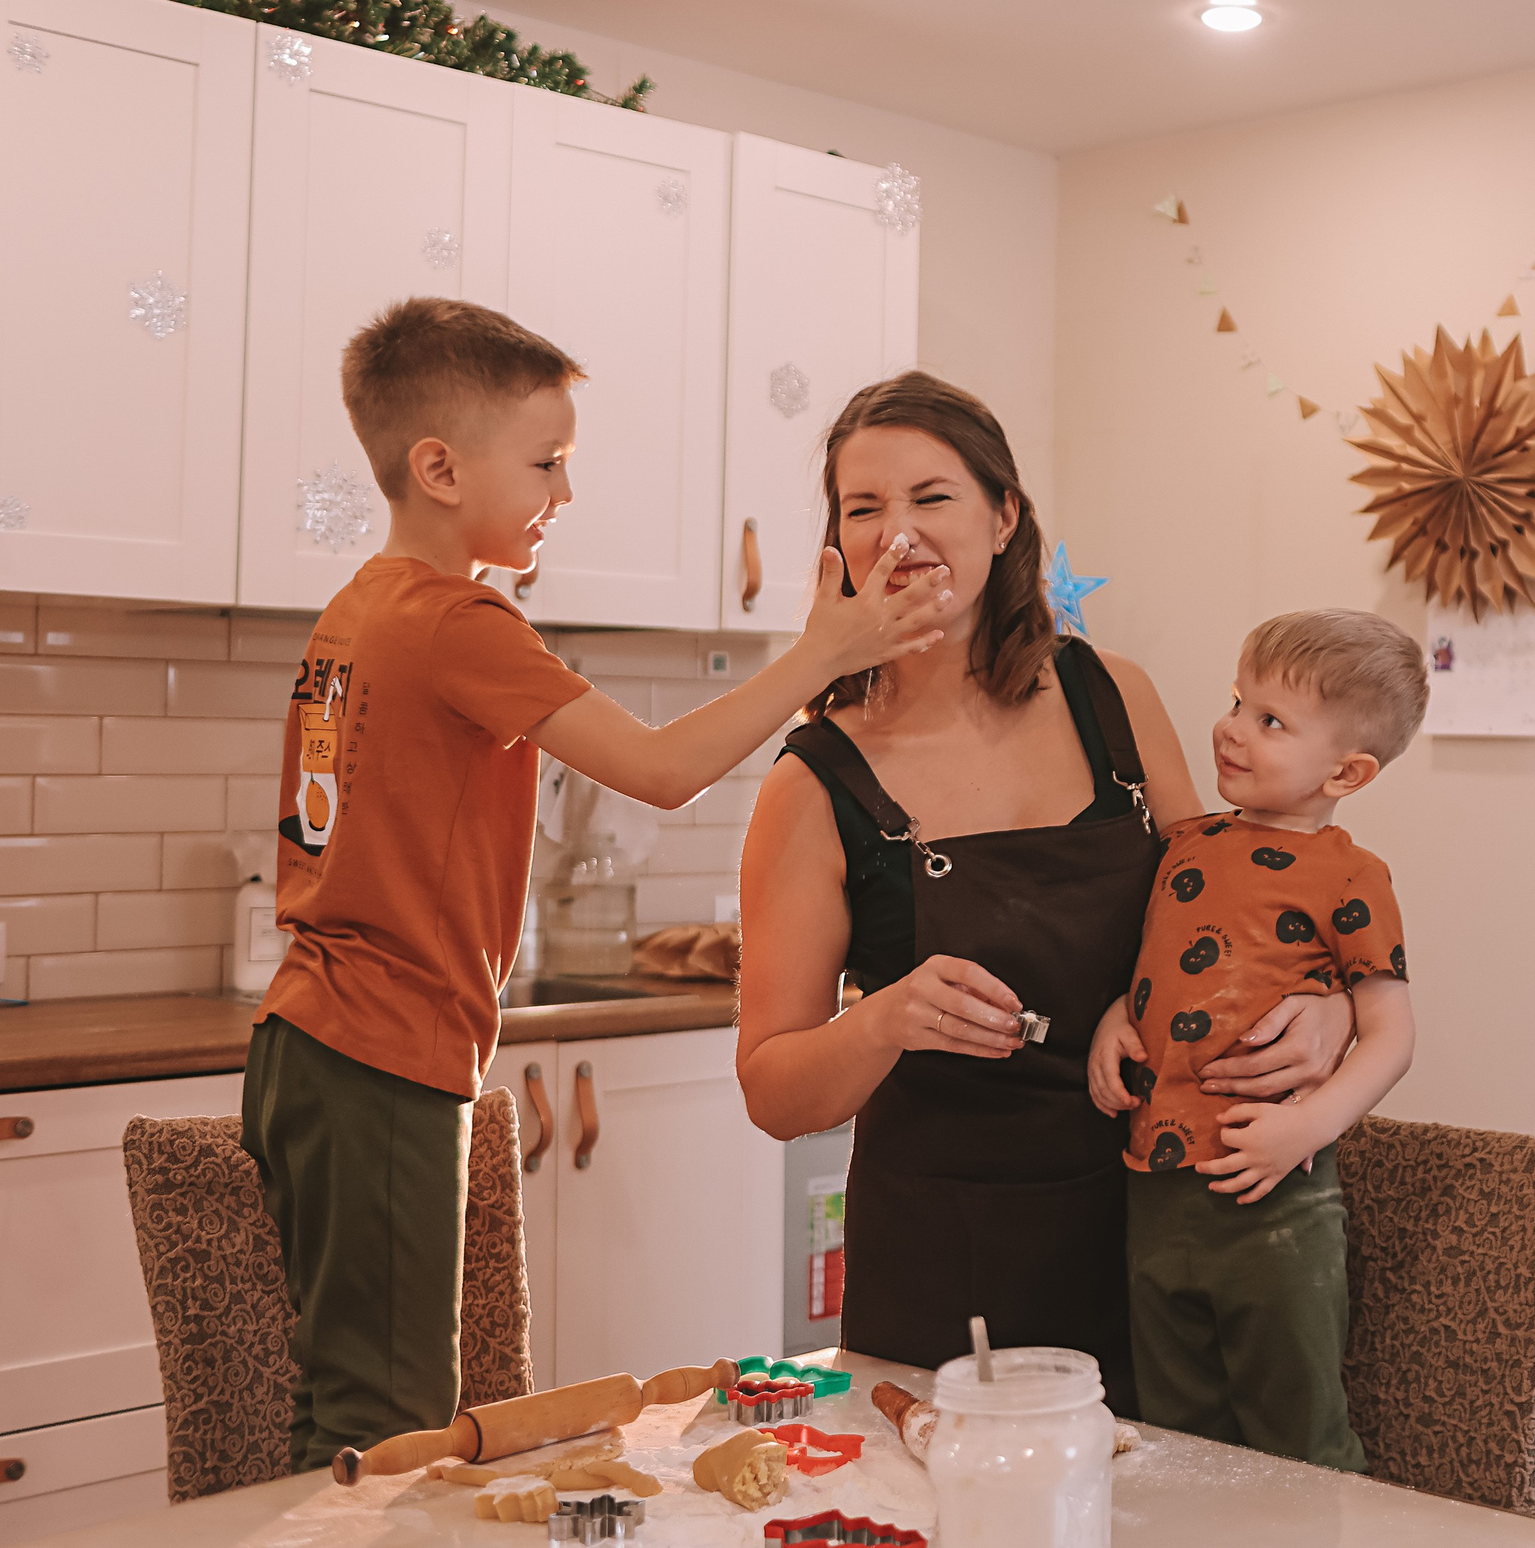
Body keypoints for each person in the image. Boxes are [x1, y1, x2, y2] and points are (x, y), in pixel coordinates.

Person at [244, 297, 951, 1473]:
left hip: (311, 1042)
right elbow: (663, 771)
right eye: (545, 462)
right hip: (379, 1050)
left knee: (347, 1405)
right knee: (384, 1425)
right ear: (440, 469)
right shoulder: (457, 620)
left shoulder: (361, 608)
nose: (564, 492)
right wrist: (824, 653)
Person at [733, 373, 1355, 1415]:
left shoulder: (1113, 697)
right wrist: (884, 1020)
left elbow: (1224, 915)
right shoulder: (813, 783)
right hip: (949, 1271)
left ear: (1003, 516)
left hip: (1165, 1226)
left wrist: (1325, 1003)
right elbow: (773, 1091)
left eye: (932, 496)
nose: (899, 532)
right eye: (864, 507)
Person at [1085, 610, 1424, 1470]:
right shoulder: (1185, 844)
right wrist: (1118, 1017)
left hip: (1274, 1198)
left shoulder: (1352, 873)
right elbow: (1164, 968)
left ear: (1346, 771)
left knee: (1299, 1436)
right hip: (1154, 1189)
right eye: (1238, 701)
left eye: (1271, 720)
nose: (1232, 728)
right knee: (1176, 1434)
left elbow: (1390, 1036)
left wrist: (1310, 1124)